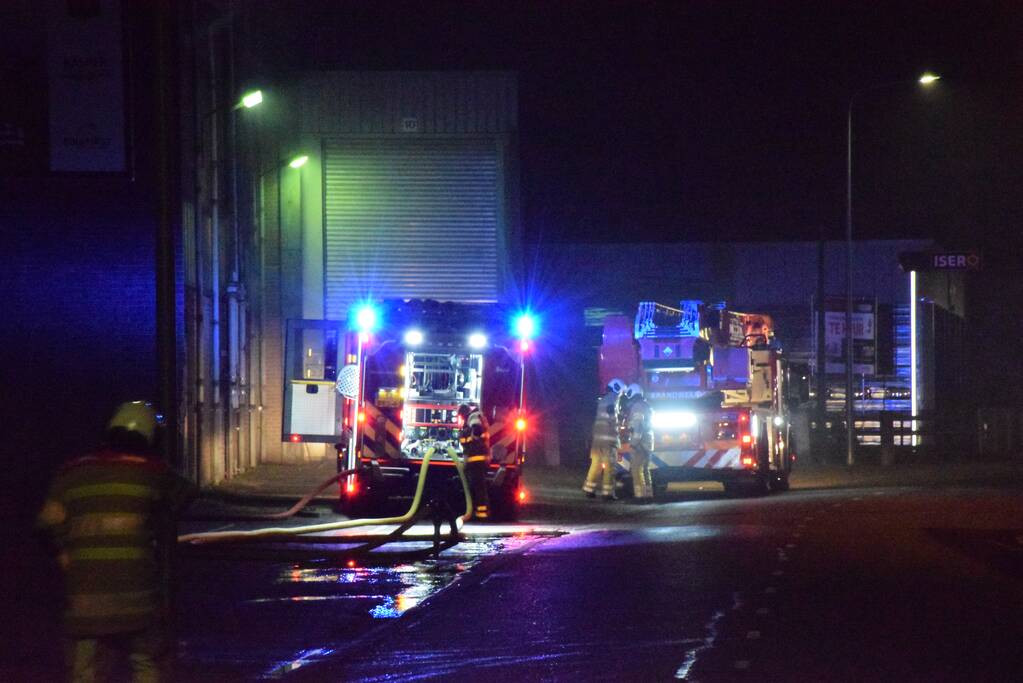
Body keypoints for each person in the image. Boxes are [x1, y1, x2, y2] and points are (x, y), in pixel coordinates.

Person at [36, 401, 196, 682]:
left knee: (86, 671)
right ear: (150, 439)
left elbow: (45, 526)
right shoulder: (152, 471)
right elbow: (187, 494)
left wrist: (65, 557)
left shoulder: (71, 472)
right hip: (139, 597)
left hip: (84, 600)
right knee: (149, 663)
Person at [583, 378, 624, 500]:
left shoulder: (603, 400)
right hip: (608, 441)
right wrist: (619, 423)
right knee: (610, 467)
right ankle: (607, 494)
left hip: (597, 441)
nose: (620, 395)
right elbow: (612, 419)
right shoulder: (614, 399)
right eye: (620, 392)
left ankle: (589, 490)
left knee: (595, 465)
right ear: (617, 389)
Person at [457, 403, 491, 520]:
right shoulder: (476, 415)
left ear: (464, 413)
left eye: (461, 416)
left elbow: (477, 429)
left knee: (478, 487)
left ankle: (481, 515)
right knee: (477, 487)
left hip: (476, 458)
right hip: (477, 458)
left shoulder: (473, 416)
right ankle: (479, 513)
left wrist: (472, 439)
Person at [624, 383, 655, 502]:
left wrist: (634, 443)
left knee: (637, 470)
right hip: (648, 442)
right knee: (645, 470)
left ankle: (640, 496)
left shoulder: (637, 407)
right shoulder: (647, 405)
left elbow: (637, 426)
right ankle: (648, 495)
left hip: (639, 444)